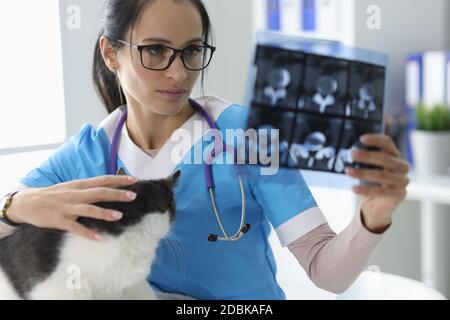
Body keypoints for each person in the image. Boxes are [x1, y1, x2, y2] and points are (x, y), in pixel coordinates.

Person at [0, 0, 410, 300]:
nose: (178, 73)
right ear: (111, 53)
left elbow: (328, 274)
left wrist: (372, 217)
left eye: (192, 51)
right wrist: (16, 207)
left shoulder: (248, 136)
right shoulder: (89, 152)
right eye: (155, 51)